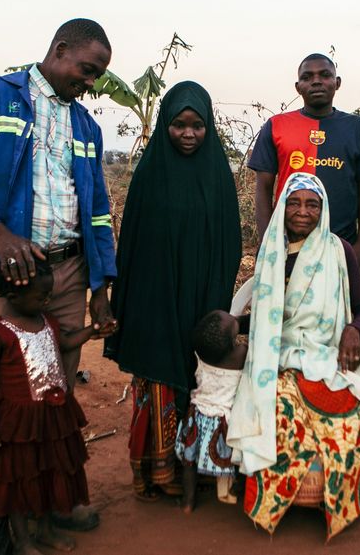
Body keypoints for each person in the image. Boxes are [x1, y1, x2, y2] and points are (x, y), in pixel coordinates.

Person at [0, 18, 117, 549]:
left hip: (69, 272)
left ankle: (47, 501)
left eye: (99, 76)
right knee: (4, 395)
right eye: (87, 70)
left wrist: (101, 284)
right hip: (13, 277)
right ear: (59, 50)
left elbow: (100, 211)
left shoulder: (86, 125)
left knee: (53, 396)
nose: (90, 83)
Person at [104, 81, 241, 502]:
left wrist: (216, 296)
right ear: (165, 124)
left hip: (203, 295)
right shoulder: (149, 174)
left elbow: (229, 242)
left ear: (208, 126)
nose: (187, 134)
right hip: (156, 297)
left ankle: (197, 465)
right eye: (178, 125)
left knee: (201, 378)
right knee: (158, 376)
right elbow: (131, 245)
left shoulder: (218, 174)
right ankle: (154, 471)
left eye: (197, 125)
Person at [228, 172, 360, 541]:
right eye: (293, 202)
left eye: (312, 204)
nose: (302, 211)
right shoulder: (271, 251)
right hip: (275, 358)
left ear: (323, 210)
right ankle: (277, 499)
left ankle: (334, 499)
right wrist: (233, 326)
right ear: (282, 206)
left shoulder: (338, 250)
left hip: (326, 356)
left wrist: (353, 329)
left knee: (350, 418)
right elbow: (265, 315)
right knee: (276, 411)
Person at [0, 260, 94, 554]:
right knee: (19, 477)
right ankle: (22, 539)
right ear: (13, 297)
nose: (47, 301)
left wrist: (93, 331)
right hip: (17, 423)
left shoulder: (47, 320)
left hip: (50, 417)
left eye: (47, 296)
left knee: (48, 471)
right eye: (41, 297)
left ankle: (46, 529)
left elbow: (65, 343)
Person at [248, 53, 360, 264]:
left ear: (337, 83)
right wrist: (267, 243)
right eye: (307, 77)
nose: (316, 81)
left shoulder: (358, 128)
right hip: (287, 245)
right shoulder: (276, 126)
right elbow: (263, 189)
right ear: (298, 87)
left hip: (340, 244)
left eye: (325, 75)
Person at [175, 310, 248, 513]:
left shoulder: (200, 354)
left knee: (189, 464)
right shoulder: (240, 355)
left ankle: (188, 502)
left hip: (196, 415)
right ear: (232, 342)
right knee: (236, 457)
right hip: (224, 421)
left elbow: (225, 331)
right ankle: (237, 488)